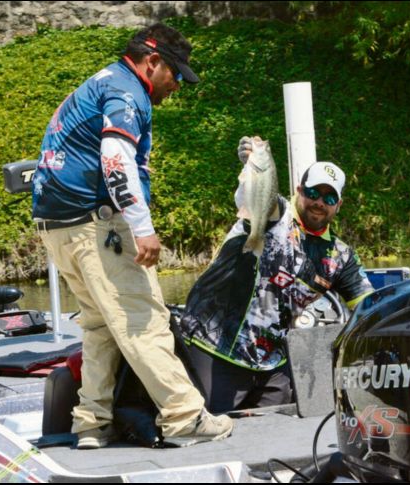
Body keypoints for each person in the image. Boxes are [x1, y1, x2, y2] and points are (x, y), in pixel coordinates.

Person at [31, 23, 232, 449]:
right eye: (175, 73)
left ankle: (90, 423)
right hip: (96, 224)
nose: (177, 85)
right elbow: (115, 159)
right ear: (152, 61)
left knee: (101, 327)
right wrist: (143, 229)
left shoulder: (102, 81)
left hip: (57, 226)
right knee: (144, 321)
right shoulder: (127, 93)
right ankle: (184, 414)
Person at [179, 136, 375, 412]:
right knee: (203, 428)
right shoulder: (276, 212)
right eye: (313, 193)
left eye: (329, 197)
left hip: (272, 363)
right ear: (299, 190)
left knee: (280, 433)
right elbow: (251, 196)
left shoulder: (340, 256)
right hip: (215, 348)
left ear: (338, 205)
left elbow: (369, 305)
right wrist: (251, 163)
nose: (319, 202)